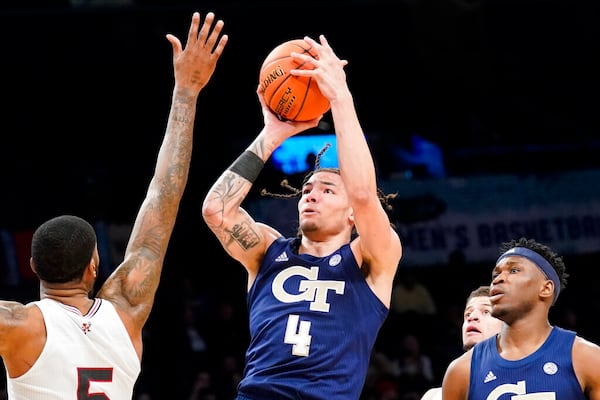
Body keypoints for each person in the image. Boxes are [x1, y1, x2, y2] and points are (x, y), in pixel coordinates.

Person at [0, 11, 227, 399]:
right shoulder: (126, 311)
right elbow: (163, 195)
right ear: (95, 264)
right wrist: (186, 93)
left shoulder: (18, 323)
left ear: (33, 266)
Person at [201, 34, 402, 399]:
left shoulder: (370, 259)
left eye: (327, 190)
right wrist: (271, 134)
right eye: (308, 189)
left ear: (352, 216)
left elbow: (362, 193)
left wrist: (340, 97)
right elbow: (217, 209)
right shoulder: (267, 251)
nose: (312, 194)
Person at [442, 237, 600, 399]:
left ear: (546, 288)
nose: (498, 279)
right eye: (496, 274)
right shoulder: (461, 371)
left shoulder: (587, 358)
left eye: (514, 270)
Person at [420, 285, 502, 400]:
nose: (472, 317)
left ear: (507, 326)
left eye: (486, 312)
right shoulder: (433, 396)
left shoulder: (522, 384)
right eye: (467, 314)